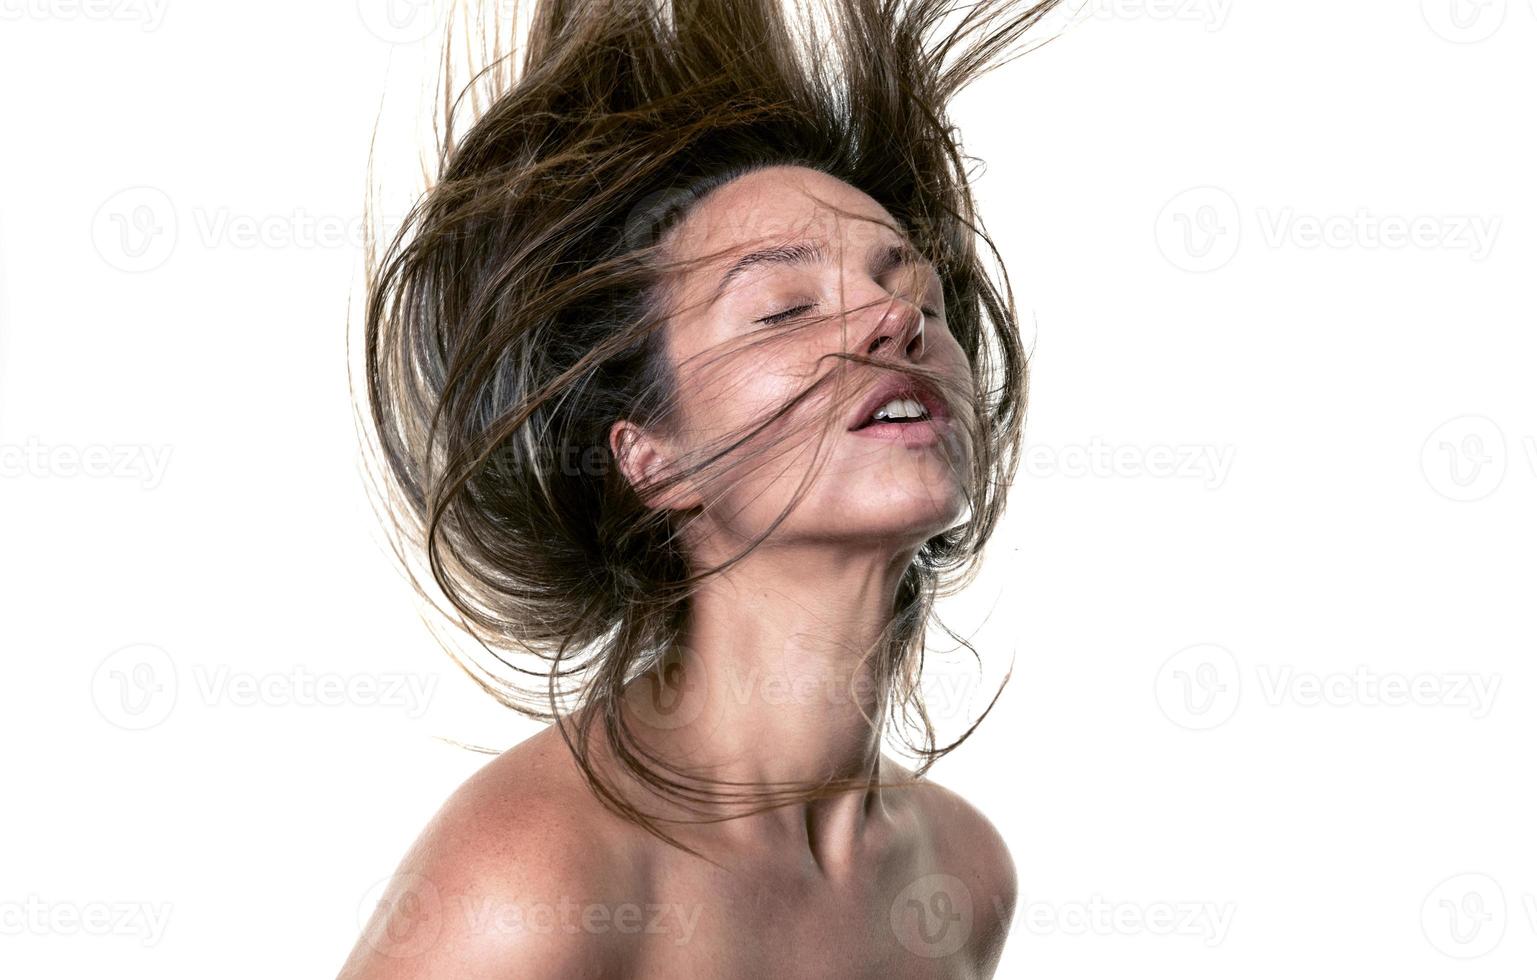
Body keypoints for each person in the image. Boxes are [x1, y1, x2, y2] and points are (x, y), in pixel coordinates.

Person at [341, 1, 1064, 975]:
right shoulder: (538, 876)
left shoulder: (964, 875)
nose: (895, 322)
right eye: (782, 309)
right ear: (655, 457)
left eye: (914, 291)